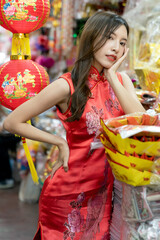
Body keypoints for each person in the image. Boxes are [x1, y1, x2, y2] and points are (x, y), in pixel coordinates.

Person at [3, 11, 145, 240]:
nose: (115, 47)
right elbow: (12, 122)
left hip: (104, 193)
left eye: (122, 42)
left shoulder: (121, 81)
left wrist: (111, 77)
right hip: (67, 192)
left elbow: (140, 120)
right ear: (91, 37)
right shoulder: (67, 85)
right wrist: (58, 141)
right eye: (109, 38)